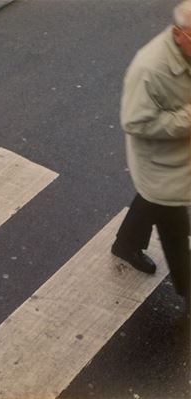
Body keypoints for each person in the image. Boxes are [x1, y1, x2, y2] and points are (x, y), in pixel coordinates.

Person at [112, 0, 191, 317]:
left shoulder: (185, 51)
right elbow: (135, 122)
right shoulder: (149, 68)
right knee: (175, 228)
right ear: (179, 33)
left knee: (151, 201)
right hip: (161, 162)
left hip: (178, 156)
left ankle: (126, 244)